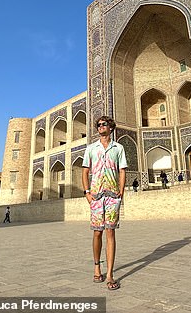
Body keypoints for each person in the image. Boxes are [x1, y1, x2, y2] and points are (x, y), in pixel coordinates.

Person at [82, 115, 127, 291]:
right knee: (97, 234)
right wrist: (87, 193)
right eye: (99, 125)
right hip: (96, 196)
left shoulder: (119, 148)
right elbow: (85, 171)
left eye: (104, 124)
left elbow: (122, 171)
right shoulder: (91, 148)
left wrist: (121, 192)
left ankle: (109, 274)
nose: (101, 127)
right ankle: (96, 266)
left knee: (110, 233)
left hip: (112, 196)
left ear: (111, 127)